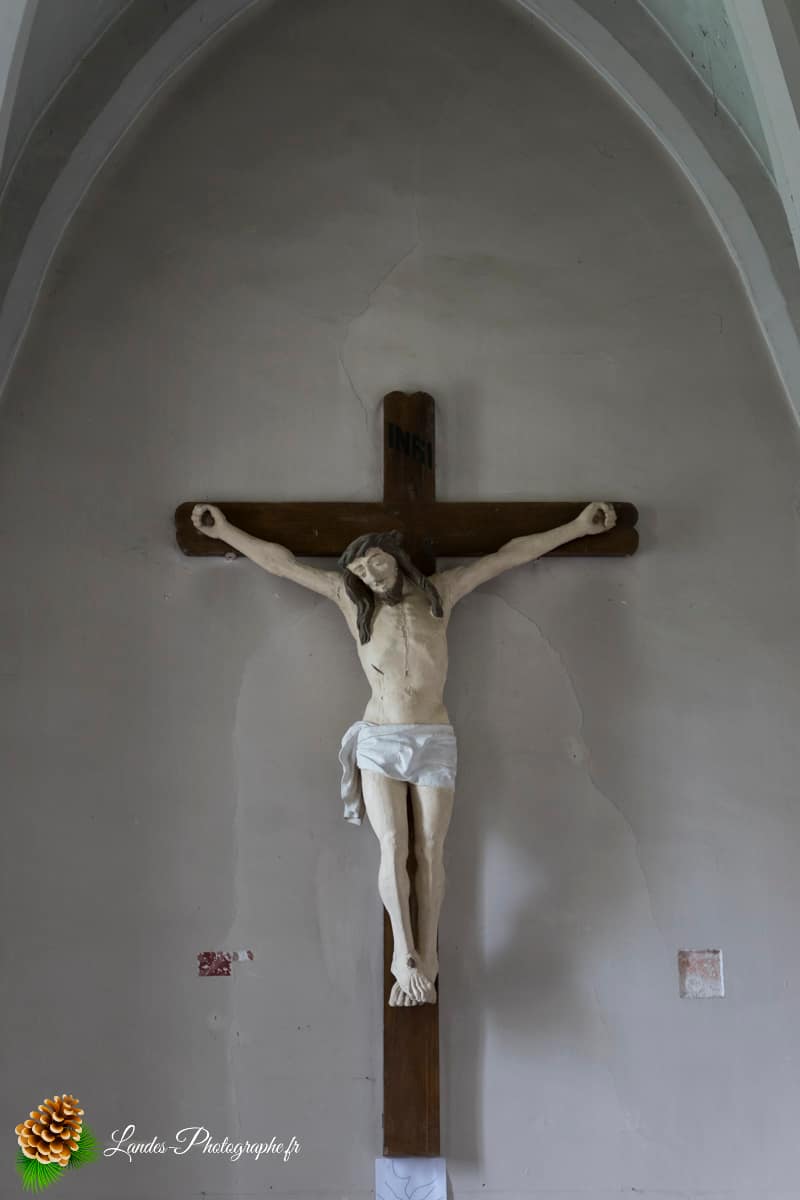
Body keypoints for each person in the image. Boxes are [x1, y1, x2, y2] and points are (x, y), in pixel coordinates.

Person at [191, 500, 616, 1004]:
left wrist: (576, 527)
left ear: (393, 554)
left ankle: (428, 955)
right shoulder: (351, 604)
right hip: (380, 737)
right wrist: (226, 532)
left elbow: (508, 556)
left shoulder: (441, 592)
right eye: (357, 570)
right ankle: (404, 954)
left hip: (434, 739)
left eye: (373, 560)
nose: (367, 574)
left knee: (432, 850)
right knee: (392, 845)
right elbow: (282, 562)